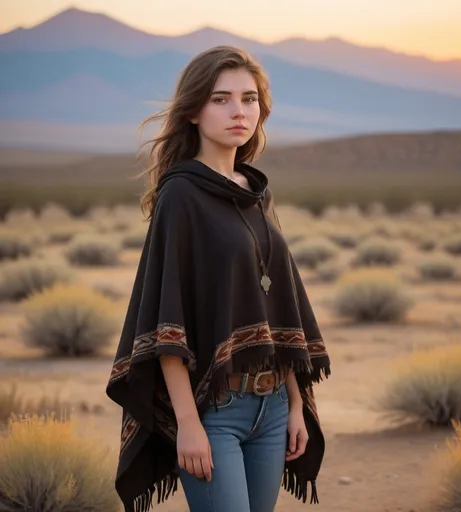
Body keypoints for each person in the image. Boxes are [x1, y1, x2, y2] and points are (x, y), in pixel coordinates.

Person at [106, 45, 331, 512]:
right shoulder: (181, 196)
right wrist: (188, 423)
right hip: (215, 412)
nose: (239, 111)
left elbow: (275, 311)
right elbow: (167, 321)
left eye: (249, 99)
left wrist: (293, 405)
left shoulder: (258, 193)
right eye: (221, 99)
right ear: (192, 111)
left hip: (272, 412)